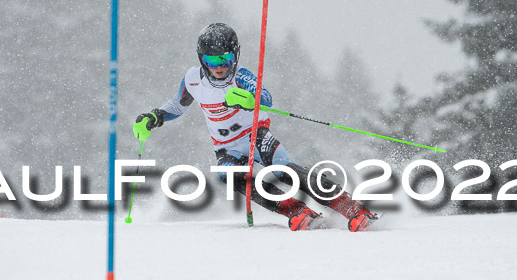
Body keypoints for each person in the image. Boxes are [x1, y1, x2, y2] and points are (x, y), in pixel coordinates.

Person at [133, 23, 378, 232]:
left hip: (255, 135)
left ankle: (351, 207)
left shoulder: (240, 76)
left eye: (226, 59)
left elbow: (266, 97)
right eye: (212, 60)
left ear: (235, 56)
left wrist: (251, 100)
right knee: (232, 178)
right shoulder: (193, 79)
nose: (219, 67)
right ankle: (297, 212)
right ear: (201, 59)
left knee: (284, 171)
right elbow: (178, 104)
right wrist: (154, 117)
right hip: (227, 147)